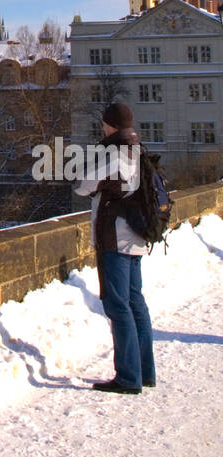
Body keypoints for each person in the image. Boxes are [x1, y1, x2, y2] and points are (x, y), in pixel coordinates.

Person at [74, 102, 156, 394]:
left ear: (111, 125)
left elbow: (83, 185)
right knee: (135, 303)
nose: (103, 128)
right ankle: (144, 371)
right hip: (136, 237)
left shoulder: (116, 154)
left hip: (115, 239)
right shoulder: (138, 149)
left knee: (118, 306)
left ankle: (128, 378)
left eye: (105, 124)